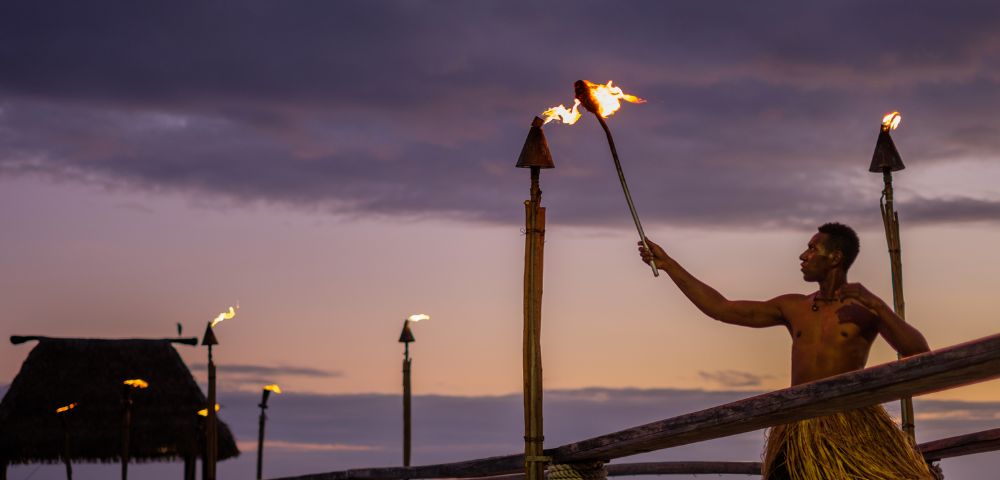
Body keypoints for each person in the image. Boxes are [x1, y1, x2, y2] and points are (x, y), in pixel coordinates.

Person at [638, 222, 934, 479]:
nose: (803, 256)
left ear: (835, 257)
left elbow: (918, 353)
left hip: (851, 424)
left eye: (812, 249)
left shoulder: (864, 309)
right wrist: (670, 265)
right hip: (798, 425)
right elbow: (722, 308)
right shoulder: (795, 307)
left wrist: (879, 307)